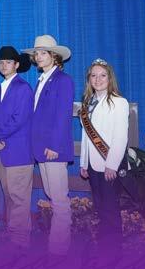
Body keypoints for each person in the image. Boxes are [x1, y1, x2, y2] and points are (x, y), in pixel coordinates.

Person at [23, 34, 75, 255]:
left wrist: (54, 145)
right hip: (42, 148)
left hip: (54, 149)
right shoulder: (42, 80)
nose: (38, 56)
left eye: (43, 53)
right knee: (52, 194)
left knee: (59, 199)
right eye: (37, 53)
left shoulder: (63, 80)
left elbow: (62, 116)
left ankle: (59, 248)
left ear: (54, 56)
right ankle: (57, 243)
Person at [79, 59, 129, 249]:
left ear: (110, 78)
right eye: (93, 75)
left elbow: (120, 137)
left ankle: (114, 252)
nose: (98, 79)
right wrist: (84, 163)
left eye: (102, 75)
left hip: (109, 164)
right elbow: (86, 137)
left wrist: (112, 164)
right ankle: (103, 247)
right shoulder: (88, 103)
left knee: (110, 210)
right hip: (93, 165)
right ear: (89, 79)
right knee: (100, 208)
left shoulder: (119, 102)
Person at [0, 45, 34, 249]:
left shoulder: (23, 88)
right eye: (1, 62)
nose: (4, 65)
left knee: (19, 197)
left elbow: (19, 119)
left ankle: (20, 239)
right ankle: (13, 233)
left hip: (19, 151)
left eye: (8, 62)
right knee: (10, 195)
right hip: (3, 150)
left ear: (16, 65)